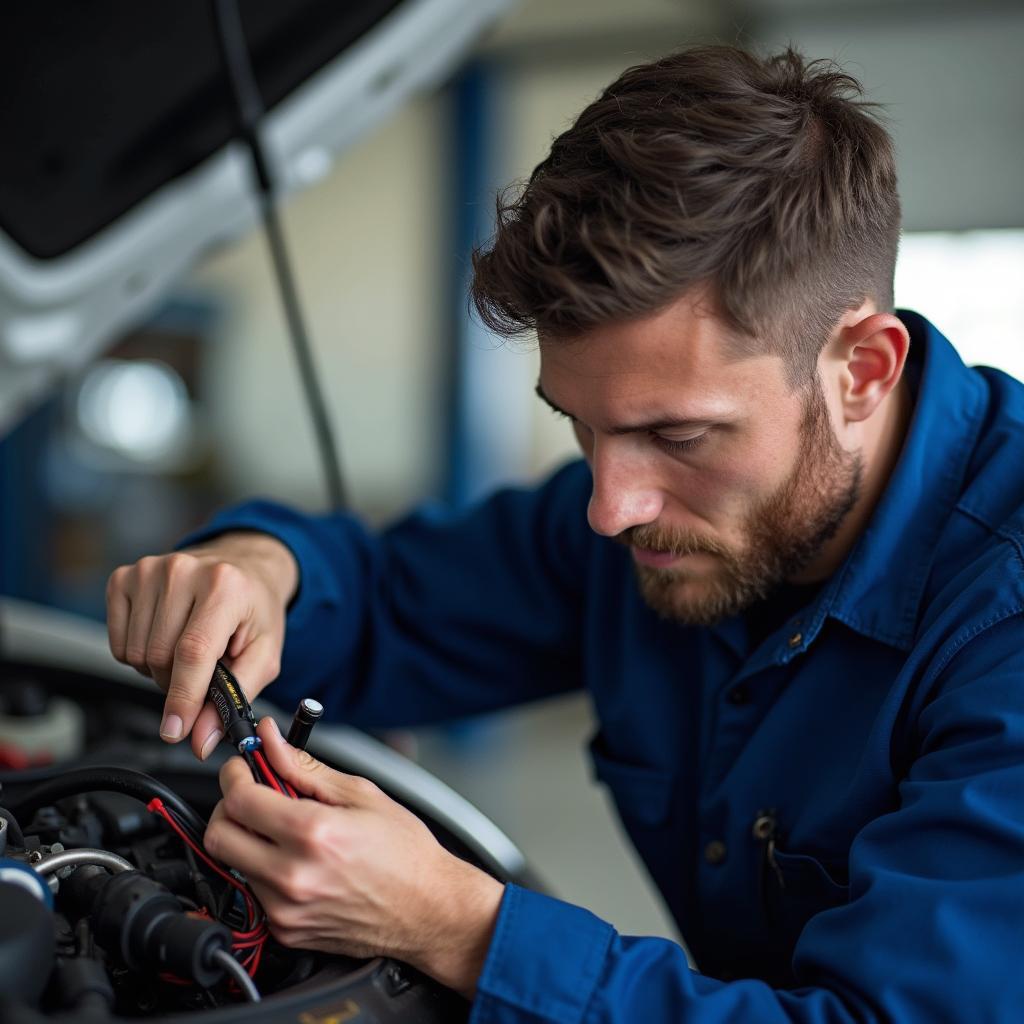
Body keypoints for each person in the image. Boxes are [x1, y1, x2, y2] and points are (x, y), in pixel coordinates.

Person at [105, 45, 1024, 1023]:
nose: (608, 507)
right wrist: (260, 566)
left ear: (862, 369)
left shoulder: (998, 628)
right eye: (582, 426)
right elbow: (385, 599)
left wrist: (457, 925)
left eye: (678, 434)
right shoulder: (648, 520)